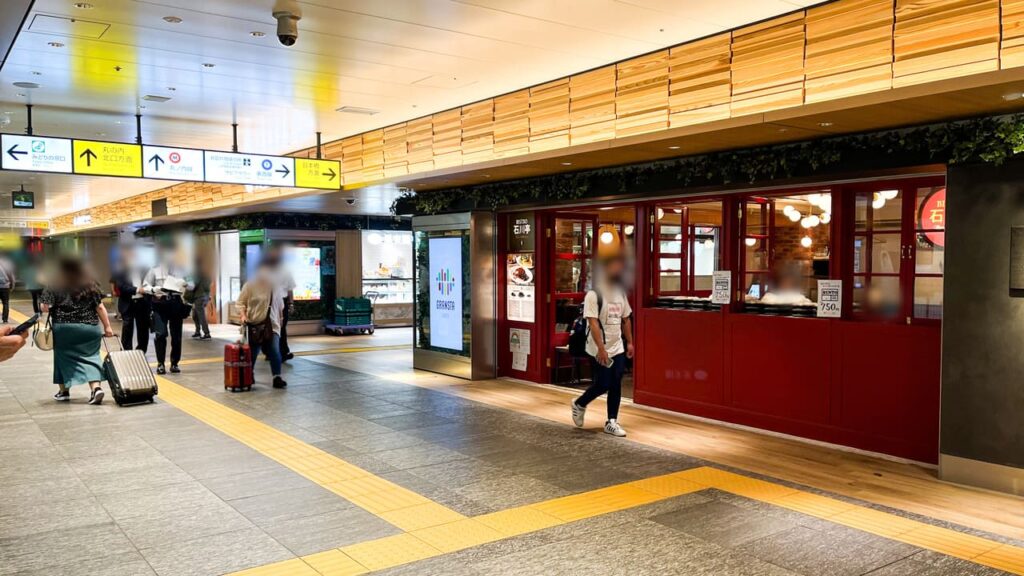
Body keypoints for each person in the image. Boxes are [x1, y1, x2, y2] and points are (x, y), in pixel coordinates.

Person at [570, 254, 634, 437]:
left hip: (618, 346)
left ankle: (611, 421)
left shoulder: (621, 293)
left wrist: (629, 342)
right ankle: (580, 403)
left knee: (616, 383)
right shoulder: (594, 295)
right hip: (598, 346)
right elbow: (593, 323)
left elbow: (626, 319)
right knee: (603, 383)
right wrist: (601, 349)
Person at [41, 258, 114, 405]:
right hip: (89, 328)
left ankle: (64, 392)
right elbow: (99, 307)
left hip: (64, 328)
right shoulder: (89, 282)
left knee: (62, 357)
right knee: (92, 357)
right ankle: (96, 389)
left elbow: (45, 307)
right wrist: (107, 327)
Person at [236, 258, 287, 389]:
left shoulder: (275, 286)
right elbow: (240, 303)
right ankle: (250, 374)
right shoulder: (250, 285)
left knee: (275, 350)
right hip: (255, 324)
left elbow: (281, 305)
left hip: (272, 325)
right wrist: (243, 315)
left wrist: (280, 321)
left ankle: (277, 377)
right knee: (253, 353)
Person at [142, 255, 191, 374]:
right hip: (160, 304)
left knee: (176, 336)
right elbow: (145, 285)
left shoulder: (182, 269)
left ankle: (174, 363)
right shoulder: (154, 269)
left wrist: (185, 284)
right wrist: (154, 290)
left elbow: (192, 283)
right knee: (160, 334)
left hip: (176, 303)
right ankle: (160, 364)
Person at [110, 250, 151, 353]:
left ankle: (141, 351)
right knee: (128, 327)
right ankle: (126, 351)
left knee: (143, 328)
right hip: (128, 303)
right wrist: (137, 290)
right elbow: (122, 287)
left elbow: (150, 282)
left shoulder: (145, 269)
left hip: (142, 302)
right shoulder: (120, 270)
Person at [189, 257, 212, 340]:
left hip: (199, 296)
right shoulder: (206, 271)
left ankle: (206, 333)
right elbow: (209, 283)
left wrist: (188, 285)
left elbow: (194, 283)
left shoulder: (197, 271)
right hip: (204, 295)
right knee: (195, 315)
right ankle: (198, 331)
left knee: (201, 315)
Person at [0, 253, 14, 323]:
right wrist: (12, 286)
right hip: (5, 286)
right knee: (5, 303)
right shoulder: (7, 265)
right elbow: (11, 276)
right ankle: (5, 319)